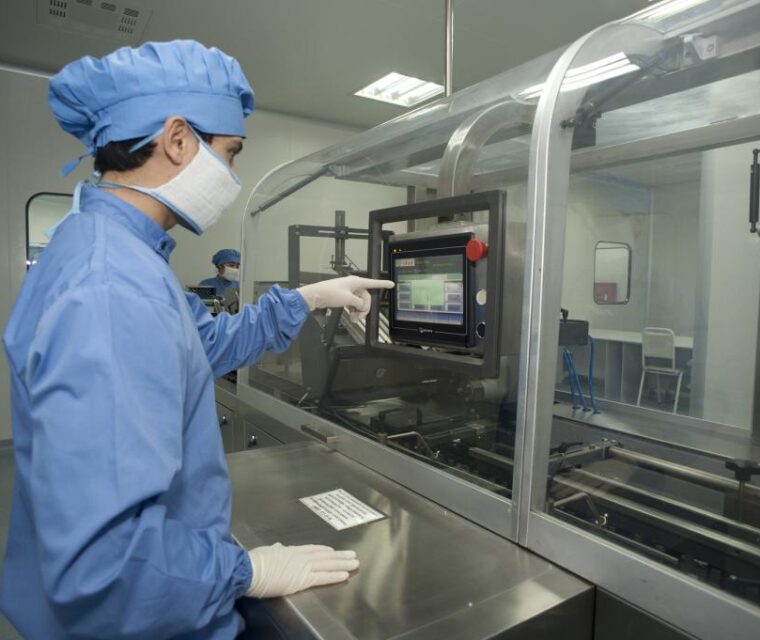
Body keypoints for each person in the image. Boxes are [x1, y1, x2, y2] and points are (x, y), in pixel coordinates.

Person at [0, 40, 393, 640]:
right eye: (230, 154)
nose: (231, 177)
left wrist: (309, 298)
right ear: (179, 140)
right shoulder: (111, 288)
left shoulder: (117, 251)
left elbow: (202, 344)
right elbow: (106, 563)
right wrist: (243, 572)